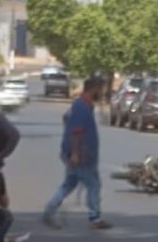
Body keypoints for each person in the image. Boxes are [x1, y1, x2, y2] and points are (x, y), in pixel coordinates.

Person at [43, 77, 112, 230]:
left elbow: (66, 118)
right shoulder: (82, 106)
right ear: (94, 89)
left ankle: (49, 211)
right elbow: (77, 131)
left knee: (69, 184)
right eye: (101, 90)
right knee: (93, 185)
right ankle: (95, 217)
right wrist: (75, 152)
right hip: (82, 155)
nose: (103, 94)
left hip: (79, 153)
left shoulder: (82, 105)